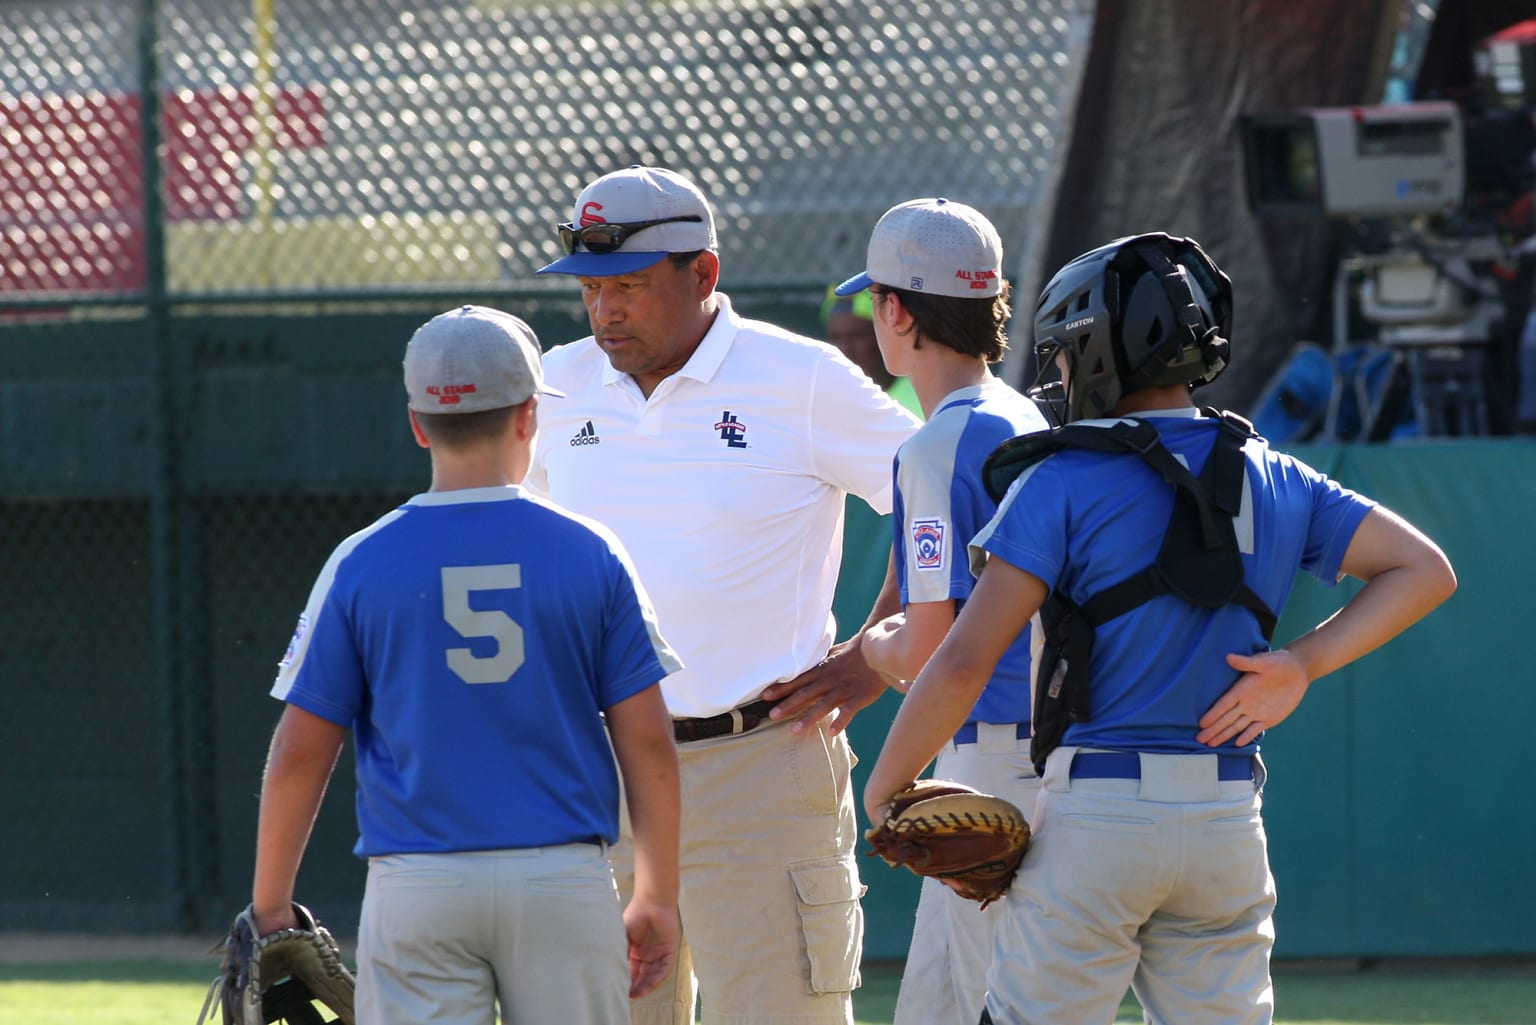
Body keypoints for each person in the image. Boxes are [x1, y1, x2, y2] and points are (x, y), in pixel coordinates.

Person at [863, 233, 1457, 1025]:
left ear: (1099, 351)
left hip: (1096, 818)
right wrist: (1302, 665)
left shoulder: (1060, 476)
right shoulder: (1273, 470)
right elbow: (1426, 569)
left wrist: (885, 787)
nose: (1062, 373)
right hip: (1225, 822)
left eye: (1067, 353)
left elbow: (967, 655)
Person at [527, 165, 921, 1025]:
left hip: (759, 764)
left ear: (703, 275)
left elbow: (952, 492)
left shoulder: (801, 378)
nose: (604, 311)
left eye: (627, 286)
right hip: (596, 775)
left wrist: (880, 648)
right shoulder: (555, 383)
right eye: (591, 290)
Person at [253, 305, 684, 1025]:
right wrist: (657, 893)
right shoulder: (590, 550)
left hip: (420, 880)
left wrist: (271, 905)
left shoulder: (360, 560)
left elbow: (301, 751)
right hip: (561, 878)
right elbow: (646, 738)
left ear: (419, 424)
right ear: (528, 417)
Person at [831, 197, 1048, 1025]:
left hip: (987, 762)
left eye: (873, 301)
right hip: (1046, 746)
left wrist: (875, 646)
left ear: (896, 310)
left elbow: (932, 653)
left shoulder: (936, 444)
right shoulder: (1027, 415)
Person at [821, 284, 922, 416]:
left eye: (857, 336)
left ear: (884, 335)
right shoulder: (823, 403)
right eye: (835, 338)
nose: (845, 349)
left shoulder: (924, 398)